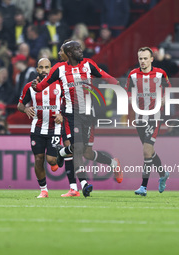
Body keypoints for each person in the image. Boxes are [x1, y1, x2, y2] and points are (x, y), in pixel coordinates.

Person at [32, 40, 122, 197]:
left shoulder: (88, 64)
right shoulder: (59, 69)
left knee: (86, 153)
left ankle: (112, 163)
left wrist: (119, 85)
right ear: (70, 54)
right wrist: (35, 85)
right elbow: (41, 86)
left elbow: (106, 76)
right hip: (70, 115)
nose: (82, 51)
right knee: (77, 148)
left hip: (88, 114)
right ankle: (83, 185)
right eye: (78, 49)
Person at [18, 58, 80, 198]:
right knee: (39, 159)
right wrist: (25, 110)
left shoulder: (59, 84)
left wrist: (62, 115)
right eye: (41, 67)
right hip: (37, 128)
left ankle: (59, 155)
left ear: (51, 69)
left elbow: (70, 103)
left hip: (55, 128)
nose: (44, 70)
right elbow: (20, 104)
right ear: (37, 69)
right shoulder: (30, 86)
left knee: (52, 160)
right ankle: (44, 190)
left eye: (47, 67)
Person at [125, 47, 171, 196]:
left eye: (145, 58)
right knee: (149, 152)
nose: (143, 61)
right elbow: (127, 90)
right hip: (140, 118)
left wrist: (165, 99)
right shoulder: (132, 75)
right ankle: (163, 173)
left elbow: (168, 89)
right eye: (140, 58)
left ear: (152, 59)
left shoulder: (160, 73)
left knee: (146, 151)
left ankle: (143, 187)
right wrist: (131, 98)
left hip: (154, 117)